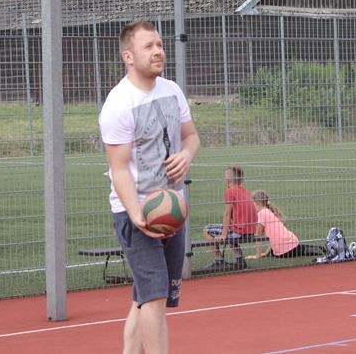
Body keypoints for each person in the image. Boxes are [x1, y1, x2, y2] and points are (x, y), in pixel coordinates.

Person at [99, 20, 200, 354]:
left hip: (172, 209)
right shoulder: (119, 104)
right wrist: (137, 215)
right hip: (137, 212)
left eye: (159, 45)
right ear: (128, 56)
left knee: (146, 297)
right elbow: (119, 170)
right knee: (155, 297)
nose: (158, 51)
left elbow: (191, 136)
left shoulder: (172, 90)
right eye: (149, 46)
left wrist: (186, 155)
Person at [201, 166, 257, 271]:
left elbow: (227, 214)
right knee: (230, 228)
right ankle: (240, 260)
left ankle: (218, 260)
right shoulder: (245, 190)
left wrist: (223, 234)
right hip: (250, 231)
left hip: (240, 231)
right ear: (241, 179)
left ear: (228, 180)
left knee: (207, 230)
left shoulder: (229, 191)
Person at [245, 190, 324, 260]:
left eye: (252, 203)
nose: (251, 206)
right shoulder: (268, 212)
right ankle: (322, 249)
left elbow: (258, 237)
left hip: (285, 250)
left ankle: (323, 249)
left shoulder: (261, 214)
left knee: (304, 250)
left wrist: (257, 255)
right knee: (302, 249)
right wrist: (266, 253)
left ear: (258, 203)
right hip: (289, 244)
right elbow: (274, 237)